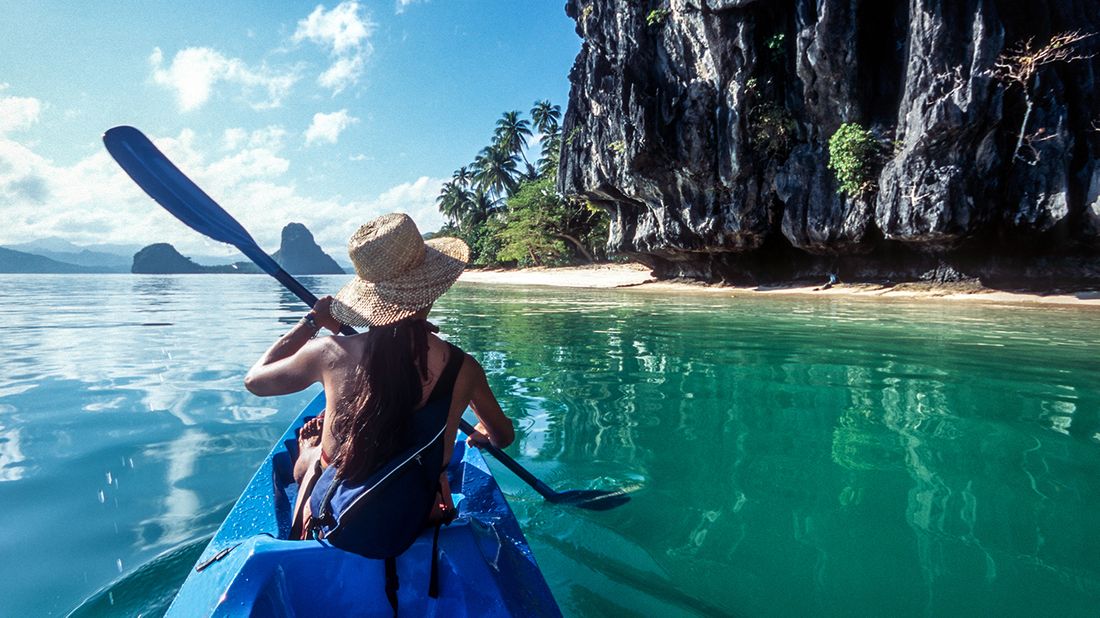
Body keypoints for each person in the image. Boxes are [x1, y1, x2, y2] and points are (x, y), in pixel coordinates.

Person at [243, 212, 514, 538]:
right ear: (432, 288)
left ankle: (310, 455)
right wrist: (484, 432)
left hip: (335, 519)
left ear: (369, 297)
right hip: (420, 519)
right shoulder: (463, 367)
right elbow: (503, 437)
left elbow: (255, 381)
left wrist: (311, 323)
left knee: (318, 459)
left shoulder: (329, 353)